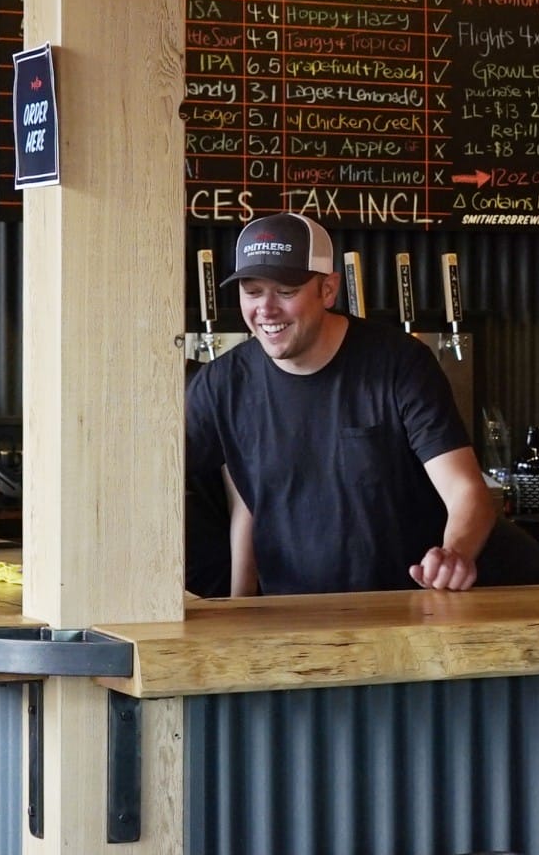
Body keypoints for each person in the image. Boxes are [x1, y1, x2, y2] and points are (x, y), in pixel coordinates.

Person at [181, 213, 497, 596]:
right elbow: (159, 486)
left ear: (328, 290)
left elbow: (467, 491)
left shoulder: (399, 364)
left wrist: (454, 554)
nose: (266, 309)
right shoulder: (223, 382)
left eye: (285, 291)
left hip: (403, 610)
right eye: (252, 291)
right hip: (286, 620)